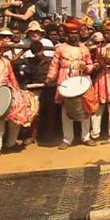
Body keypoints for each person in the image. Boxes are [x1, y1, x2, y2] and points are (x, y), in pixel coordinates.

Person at [44, 19, 97, 149]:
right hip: (65, 80)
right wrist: (50, 77)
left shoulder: (84, 49)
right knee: (65, 109)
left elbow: (90, 64)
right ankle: (67, 139)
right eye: (71, 34)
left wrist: (87, 67)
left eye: (76, 33)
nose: (74, 36)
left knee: (85, 108)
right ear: (67, 35)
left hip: (81, 80)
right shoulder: (60, 48)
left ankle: (86, 137)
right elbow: (54, 65)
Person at [0, 39, 34, 157]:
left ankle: (11, 143)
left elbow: (12, 77)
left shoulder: (6, 62)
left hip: (10, 91)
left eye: (0, 51)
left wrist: (17, 91)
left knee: (15, 119)